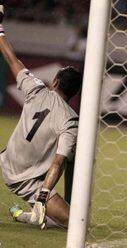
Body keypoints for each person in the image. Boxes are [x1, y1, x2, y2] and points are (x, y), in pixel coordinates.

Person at [0, 4, 82, 229]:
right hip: (28, 181)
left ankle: (27, 214)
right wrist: (44, 195)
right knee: (75, 223)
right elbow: (58, 161)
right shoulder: (70, 121)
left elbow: (12, 60)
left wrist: (0, 29)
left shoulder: (36, 89)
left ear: (54, 82)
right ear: (74, 93)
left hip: (6, 161)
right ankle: (32, 213)